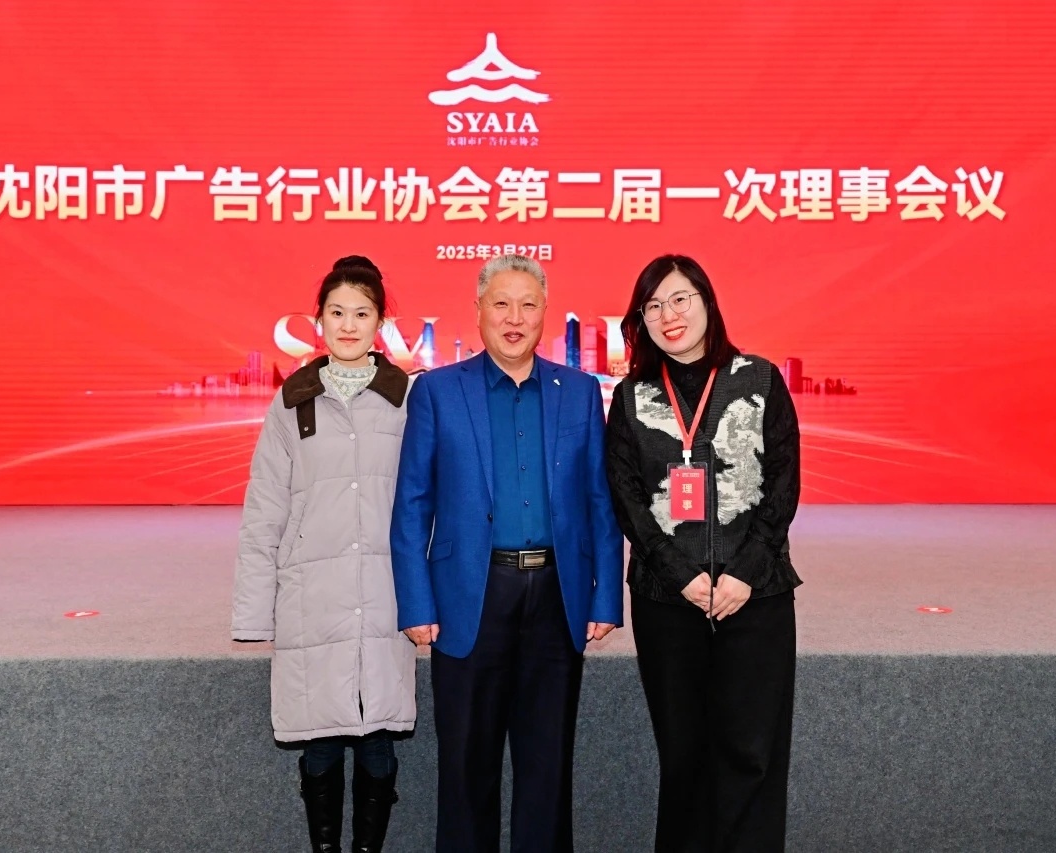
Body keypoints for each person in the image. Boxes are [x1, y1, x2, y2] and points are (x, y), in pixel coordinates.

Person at [390, 254, 624, 853]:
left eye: (527, 305)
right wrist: (415, 603)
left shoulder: (578, 392)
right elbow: (412, 503)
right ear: (478, 311)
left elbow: (599, 500)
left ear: (545, 313)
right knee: (466, 770)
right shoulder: (437, 391)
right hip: (469, 595)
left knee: (548, 769)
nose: (514, 318)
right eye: (501, 304)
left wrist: (605, 596)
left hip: (557, 596)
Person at [605, 254, 802, 853]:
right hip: (668, 600)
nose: (669, 315)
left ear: (707, 303)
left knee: (752, 753)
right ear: (641, 320)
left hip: (756, 595)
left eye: (680, 299)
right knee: (684, 755)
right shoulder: (632, 397)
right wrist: (680, 575)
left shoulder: (759, 380)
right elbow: (627, 498)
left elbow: (784, 484)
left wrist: (743, 573)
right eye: (653, 305)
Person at [232, 255, 416, 853]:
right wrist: (254, 613)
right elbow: (264, 509)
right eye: (337, 312)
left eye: (362, 313)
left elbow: (428, 503)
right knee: (320, 741)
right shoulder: (292, 401)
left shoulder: (407, 398)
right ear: (319, 321)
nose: (348, 325)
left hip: (385, 592)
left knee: (378, 738)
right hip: (311, 596)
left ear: (381, 322)